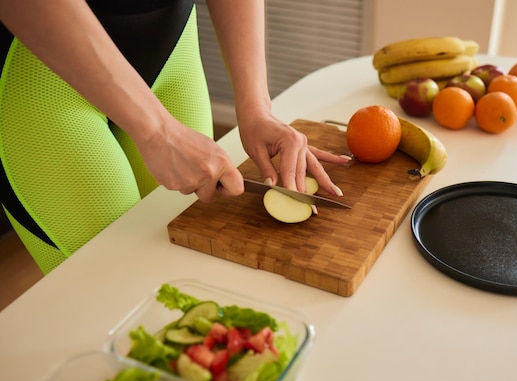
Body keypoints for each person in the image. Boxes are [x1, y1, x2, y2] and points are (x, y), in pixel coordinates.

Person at [0, 0, 350, 274]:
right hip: (41, 72)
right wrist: (157, 132)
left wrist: (256, 105)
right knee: (113, 289)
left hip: (172, 50)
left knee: (190, 260)